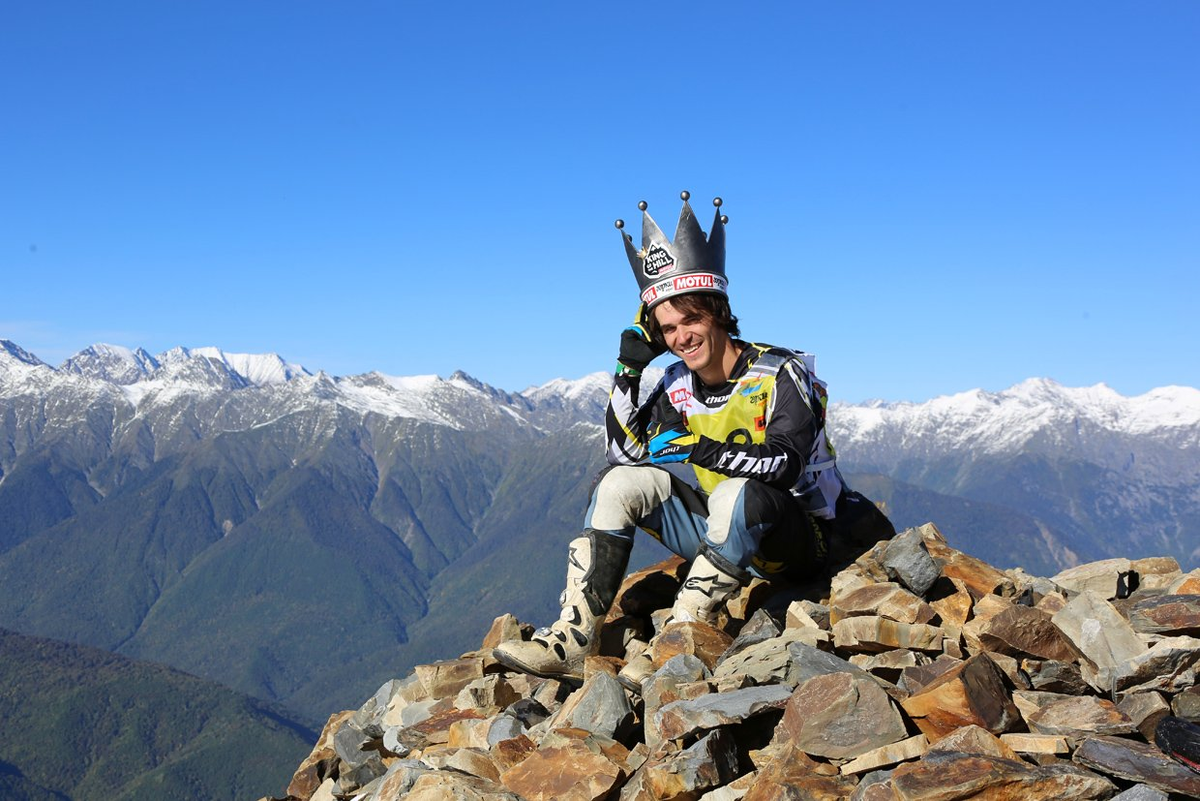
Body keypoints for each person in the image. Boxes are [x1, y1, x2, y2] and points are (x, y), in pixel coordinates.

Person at [493, 192, 890, 691]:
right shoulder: (677, 383)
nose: (682, 337)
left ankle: (678, 644)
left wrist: (698, 449)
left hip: (802, 538)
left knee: (735, 492)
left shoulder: (780, 372)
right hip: (726, 530)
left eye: (692, 319)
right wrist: (628, 370)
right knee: (618, 484)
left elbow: (785, 465)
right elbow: (626, 457)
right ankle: (572, 642)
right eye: (669, 328)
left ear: (719, 311)